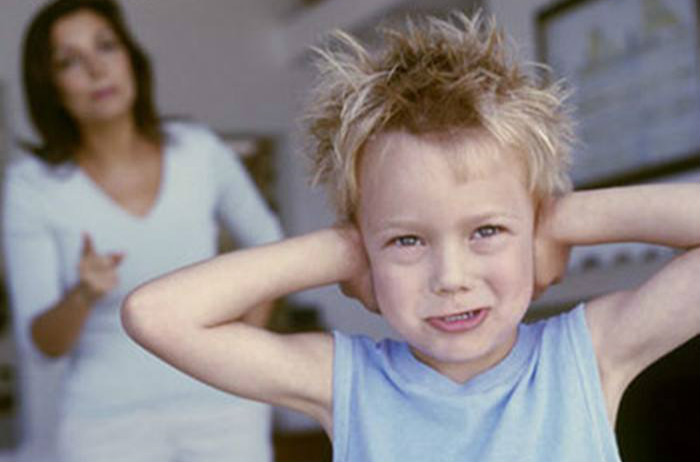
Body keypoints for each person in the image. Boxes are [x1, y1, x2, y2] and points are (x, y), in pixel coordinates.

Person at [121, 12, 700, 462]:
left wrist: (558, 220)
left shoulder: (586, 357)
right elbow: (155, 314)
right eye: (408, 242)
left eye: (487, 230)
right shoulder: (346, 385)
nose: (450, 278)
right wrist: (347, 249)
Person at [2, 0, 283, 461]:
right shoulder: (32, 186)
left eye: (106, 47)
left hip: (224, 410)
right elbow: (41, 345)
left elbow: (270, 243)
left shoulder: (198, 151)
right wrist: (83, 294)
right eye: (69, 61)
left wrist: (240, 342)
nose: (96, 69)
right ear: (49, 86)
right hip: (105, 426)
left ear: (131, 57)